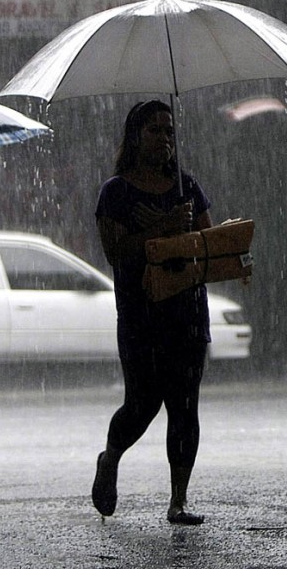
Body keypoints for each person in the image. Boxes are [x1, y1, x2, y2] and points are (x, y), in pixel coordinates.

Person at [92, 100, 214, 525]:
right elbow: (116, 253)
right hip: (142, 318)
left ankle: (178, 499)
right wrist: (160, 229)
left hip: (188, 315)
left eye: (169, 131)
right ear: (135, 137)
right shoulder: (116, 193)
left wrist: (192, 234)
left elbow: (208, 244)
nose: (163, 139)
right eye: (154, 131)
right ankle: (110, 457)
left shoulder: (187, 187)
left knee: (184, 405)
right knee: (142, 404)